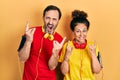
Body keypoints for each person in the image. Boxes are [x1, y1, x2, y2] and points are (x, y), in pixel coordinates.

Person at [18, 5, 66, 80]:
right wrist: (28, 41)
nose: (50, 22)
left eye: (54, 19)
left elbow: (52, 67)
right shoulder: (30, 32)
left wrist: (55, 53)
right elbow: (22, 59)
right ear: (43, 18)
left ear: (58, 21)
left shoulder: (60, 40)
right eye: (48, 18)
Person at [59, 10, 103, 80]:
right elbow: (64, 72)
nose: (82, 34)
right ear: (73, 31)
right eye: (78, 31)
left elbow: (97, 71)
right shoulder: (67, 46)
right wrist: (66, 57)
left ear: (87, 30)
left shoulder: (93, 46)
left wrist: (93, 55)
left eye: (84, 31)